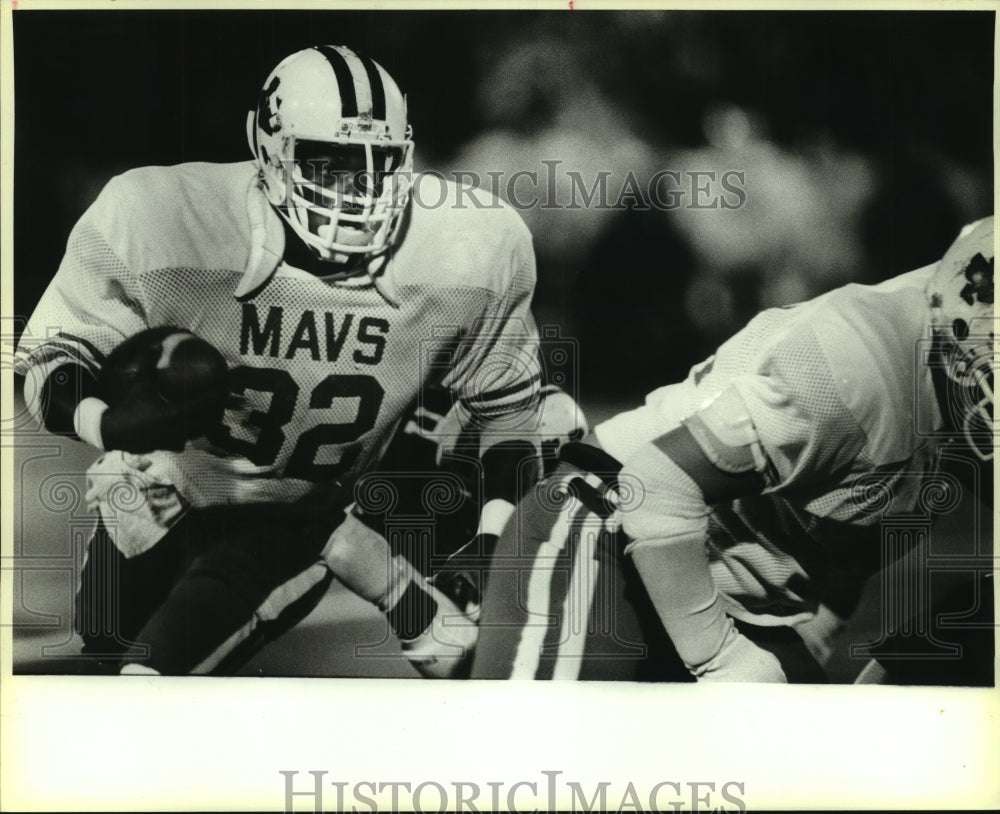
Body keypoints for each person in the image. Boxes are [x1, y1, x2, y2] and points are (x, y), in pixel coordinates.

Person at [14, 45, 548, 677]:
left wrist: (492, 553)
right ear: (265, 149)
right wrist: (110, 426)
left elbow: (510, 416)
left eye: (378, 163)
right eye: (329, 161)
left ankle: (420, 610)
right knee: (102, 659)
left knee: (149, 682)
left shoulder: (469, 247)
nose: (356, 189)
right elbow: (48, 361)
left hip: (294, 522)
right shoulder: (162, 217)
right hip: (152, 494)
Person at [470, 216, 994, 683]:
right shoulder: (858, 371)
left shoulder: (953, 360)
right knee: (540, 764)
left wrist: (812, 638)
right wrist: (721, 658)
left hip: (740, 599)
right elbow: (657, 484)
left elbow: (860, 519)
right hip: (608, 525)